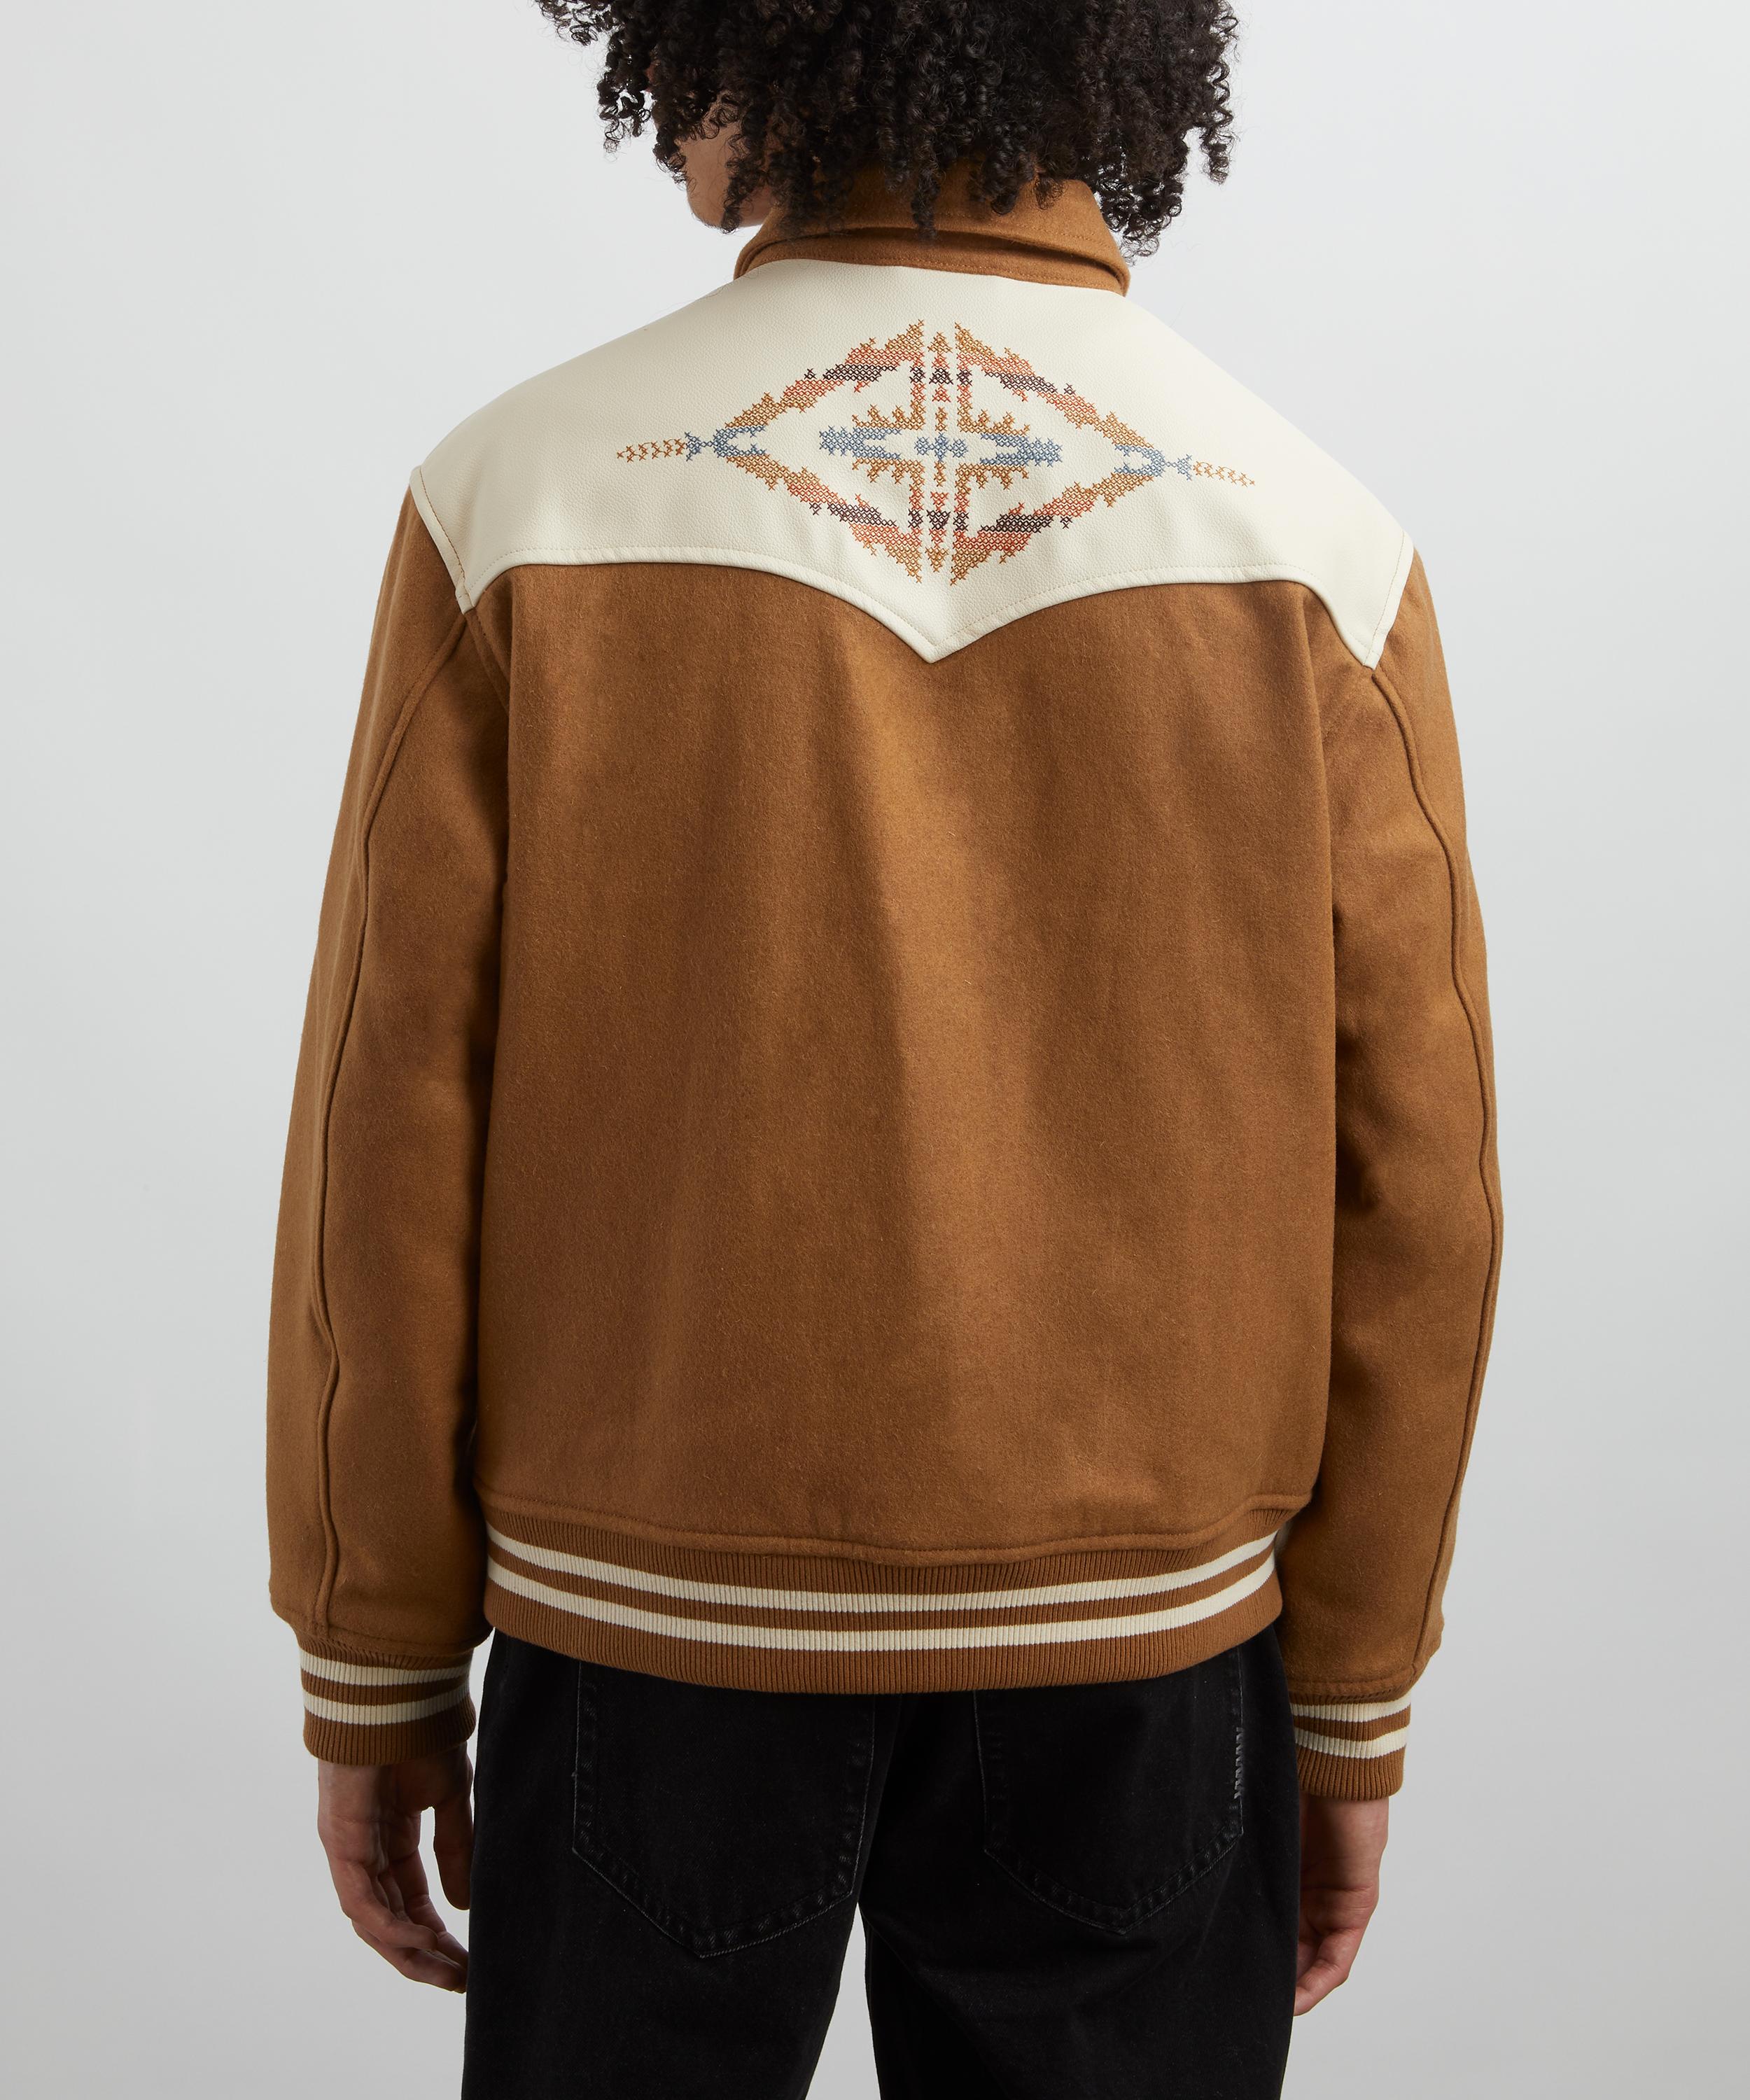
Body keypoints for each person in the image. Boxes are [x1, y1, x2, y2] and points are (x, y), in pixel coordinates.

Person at [267, 4, 1501, 2093]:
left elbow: (387, 1123)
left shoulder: (524, 494)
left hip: (646, 1630)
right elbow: (1424, 1183)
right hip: (1141, 1653)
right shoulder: (1310, 536)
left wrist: (372, 1647)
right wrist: (1354, 1693)